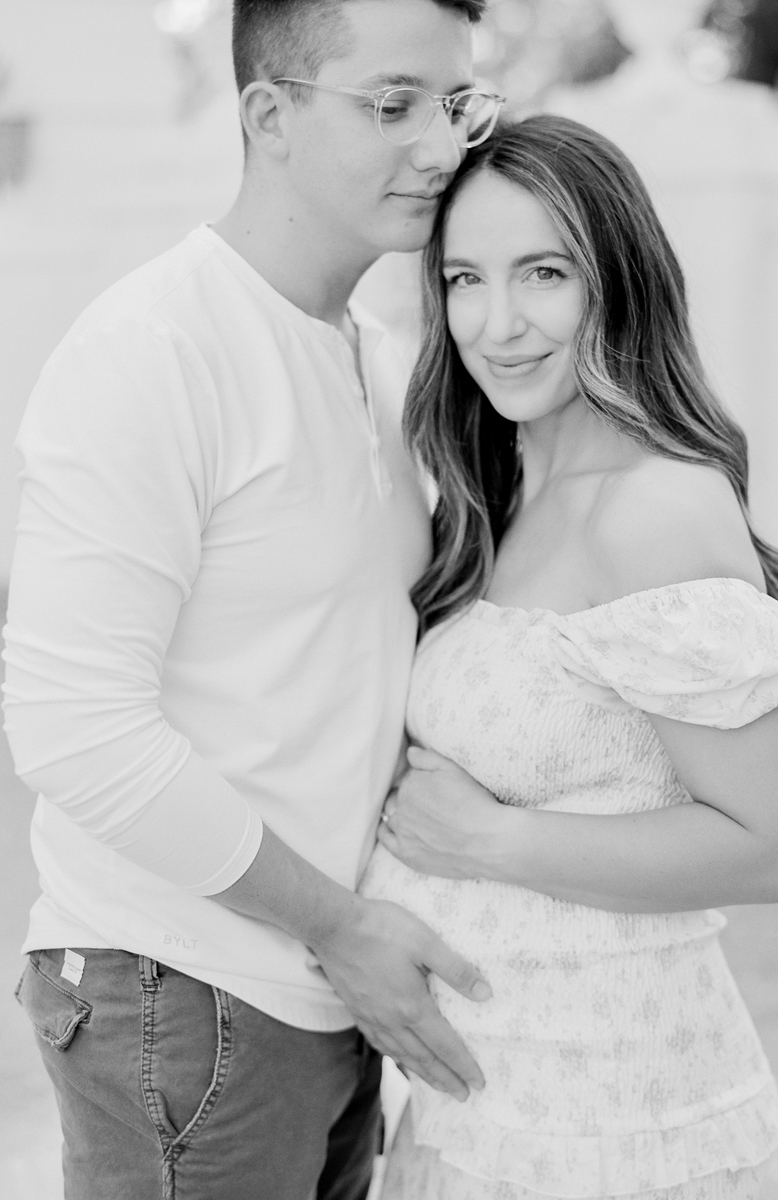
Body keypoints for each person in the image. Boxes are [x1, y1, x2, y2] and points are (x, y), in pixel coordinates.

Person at [1, 2, 506, 1197]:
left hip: (328, 996)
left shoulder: (375, 355)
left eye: (456, 105)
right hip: (187, 993)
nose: (441, 148)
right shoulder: (155, 350)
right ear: (267, 116)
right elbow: (76, 733)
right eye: (392, 105)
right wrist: (339, 926)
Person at [360, 114, 778, 1200]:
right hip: (482, 1105)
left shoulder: (657, 509)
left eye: (544, 274)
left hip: (615, 1117)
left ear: (617, 283)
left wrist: (492, 840)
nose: (499, 323)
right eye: (466, 279)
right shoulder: (499, 496)